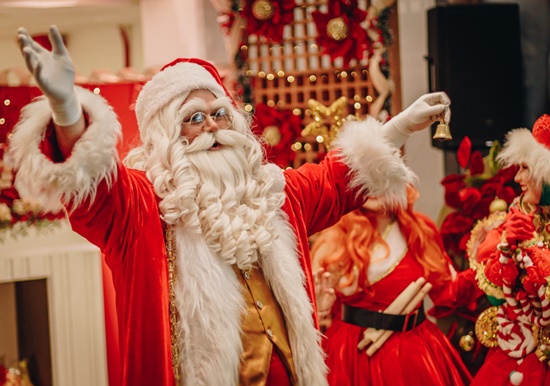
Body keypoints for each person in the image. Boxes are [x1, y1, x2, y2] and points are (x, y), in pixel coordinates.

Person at [8, 25, 451, 386]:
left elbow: (339, 177)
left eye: (219, 114)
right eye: (194, 118)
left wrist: (399, 126)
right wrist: (66, 108)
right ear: (166, 137)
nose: (213, 128)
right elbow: (94, 184)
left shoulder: (274, 194)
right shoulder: (142, 210)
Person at [310, 186, 483, 386]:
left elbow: (448, 294)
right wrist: (320, 307)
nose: (372, 188)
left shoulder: (420, 230)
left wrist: (487, 263)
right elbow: (314, 312)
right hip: (351, 356)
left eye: (381, 178)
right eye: (365, 178)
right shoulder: (337, 236)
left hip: (414, 354)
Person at [468, 114, 550, 386]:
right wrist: (507, 248)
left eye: (526, 168)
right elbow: (494, 296)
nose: (517, 177)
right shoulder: (513, 220)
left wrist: (535, 251)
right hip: (520, 351)